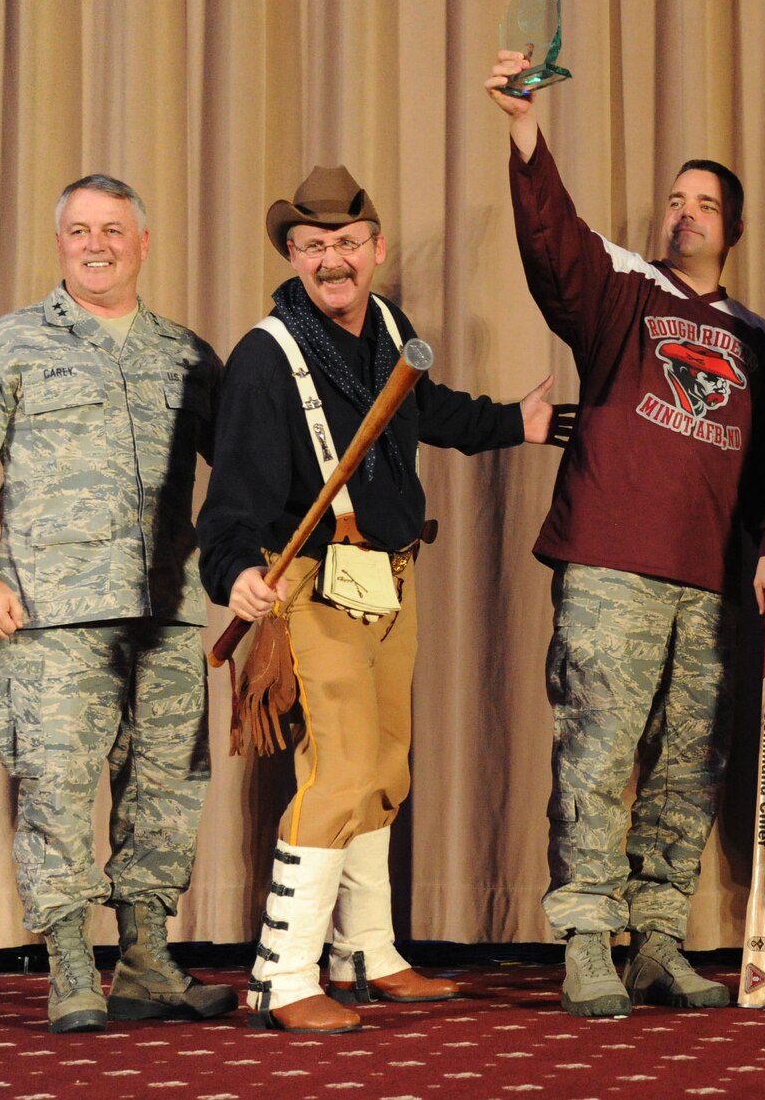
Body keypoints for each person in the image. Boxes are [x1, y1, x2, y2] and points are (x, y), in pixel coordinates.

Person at [198, 166, 560, 1033]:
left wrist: (513, 422)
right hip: (313, 589)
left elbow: (421, 409)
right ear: (292, 252)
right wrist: (235, 574)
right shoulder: (264, 357)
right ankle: (282, 974)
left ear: (377, 249)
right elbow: (231, 500)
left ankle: (366, 949)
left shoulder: (390, 328)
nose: (334, 261)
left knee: (386, 767)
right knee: (338, 771)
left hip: (390, 579)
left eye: (349, 244)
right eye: (315, 246)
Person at [485, 52, 765, 1018]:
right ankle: (587, 937)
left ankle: (659, 938)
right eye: (675, 198)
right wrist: (524, 131)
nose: (685, 212)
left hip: (708, 580)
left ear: (735, 228)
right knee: (596, 749)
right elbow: (554, 242)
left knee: (685, 762)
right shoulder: (623, 288)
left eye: (704, 203)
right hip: (612, 564)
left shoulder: (757, 338)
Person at [0, 174, 232, 1033]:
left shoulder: (186, 354)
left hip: (168, 610)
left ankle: (145, 959)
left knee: (167, 790)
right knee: (57, 789)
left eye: (111, 229)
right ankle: (71, 968)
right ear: (59, 242)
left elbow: (242, 469)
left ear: (143, 242)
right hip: (52, 613)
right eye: (77, 230)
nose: (94, 244)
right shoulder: (10, 345)